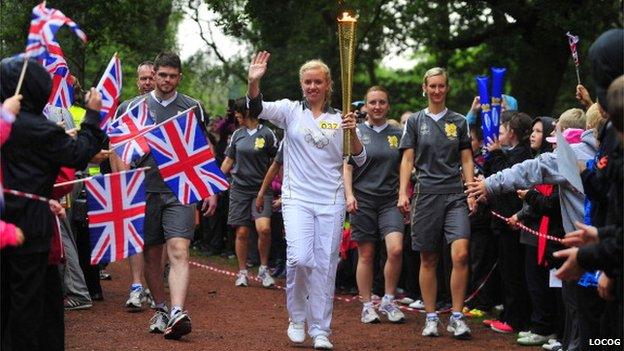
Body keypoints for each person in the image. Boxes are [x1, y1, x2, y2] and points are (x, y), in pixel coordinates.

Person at [247, 51, 366, 350]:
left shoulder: (341, 119)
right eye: (307, 82)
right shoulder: (290, 112)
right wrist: (253, 82)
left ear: (327, 85)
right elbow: (256, 107)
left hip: (331, 200)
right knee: (300, 259)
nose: (312, 87)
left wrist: (351, 132)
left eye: (318, 82)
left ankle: (321, 329)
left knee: (325, 266)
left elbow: (359, 158)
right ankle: (297, 318)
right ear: (301, 85)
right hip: (297, 197)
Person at [0, 56, 106, 351]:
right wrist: (93, 116)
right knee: (27, 297)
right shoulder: (40, 129)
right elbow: (78, 153)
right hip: (31, 221)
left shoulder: (5, 124)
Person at [124, 52, 216, 340]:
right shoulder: (132, 108)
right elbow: (120, 153)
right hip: (143, 191)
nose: (166, 80)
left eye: (172, 76)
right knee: (153, 256)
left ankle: (177, 311)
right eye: (161, 75)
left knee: (178, 249)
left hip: (180, 189)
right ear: (154, 74)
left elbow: (204, 149)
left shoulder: (192, 108)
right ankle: (161, 308)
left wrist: (209, 189)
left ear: (179, 77)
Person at [397, 67, 476, 340]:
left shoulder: (460, 121)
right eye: (432, 86)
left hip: (455, 194)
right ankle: (431, 317)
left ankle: (456, 316)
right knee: (428, 257)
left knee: (461, 254)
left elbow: (467, 159)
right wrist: (403, 192)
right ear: (425, 88)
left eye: (441, 86)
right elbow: (407, 159)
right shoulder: (415, 121)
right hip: (426, 194)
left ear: (447, 88)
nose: (437, 91)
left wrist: (471, 191)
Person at [343, 86, 406, 324]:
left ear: (388, 105)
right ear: (366, 106)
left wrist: (403, 193)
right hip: (363, 200)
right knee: (366, 255)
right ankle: (367, 305)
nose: (377, 107)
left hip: (390, 201)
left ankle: (389, 299)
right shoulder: (355, 132)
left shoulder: (398, 133)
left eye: (382, 102)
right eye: (373, 103)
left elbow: (405, 165)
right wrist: (349, 195)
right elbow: (347, 167)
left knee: (395, 249)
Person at [111, 61, 155, 312]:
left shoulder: (164, 109)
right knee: (136, 234)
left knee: (155, 239)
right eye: (143, 78)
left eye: (151, 77)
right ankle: (137, 287)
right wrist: (122, 176)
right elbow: (115, 143)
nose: (147, 82)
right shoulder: (126, 108)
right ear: (137, 81)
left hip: (161, 183)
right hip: (135, 180)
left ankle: (152, 284)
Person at [220, 97, 278, 288]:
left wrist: (283, 189)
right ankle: (242, 271)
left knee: (264, 229)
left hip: (262, 189)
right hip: (239, 189)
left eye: (238, 112)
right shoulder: (237, 135)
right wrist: (214, 184)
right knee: (242, 232)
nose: (236, 115)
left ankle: (263, 268)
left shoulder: (268, 134)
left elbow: (277, 163)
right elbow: (228, 162)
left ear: (247, 112)